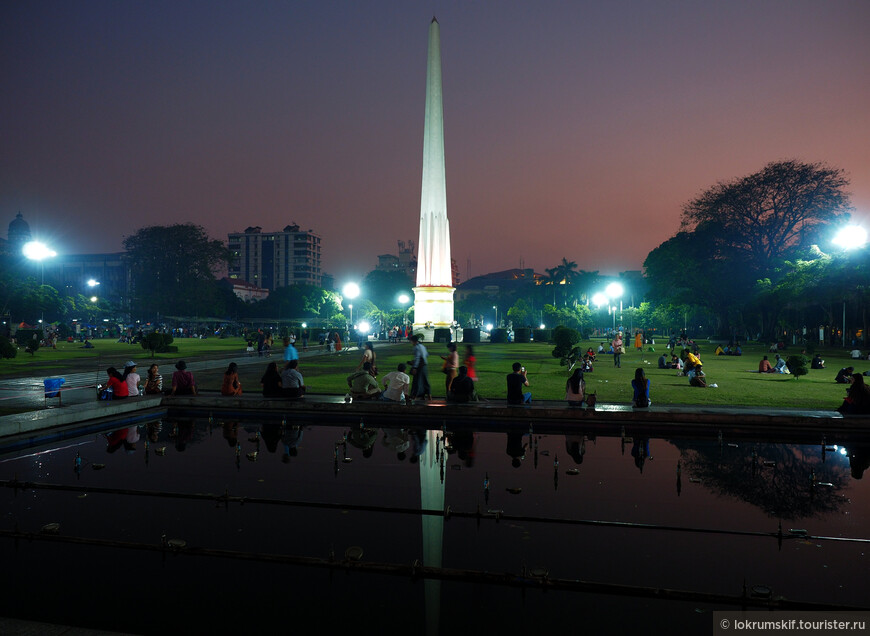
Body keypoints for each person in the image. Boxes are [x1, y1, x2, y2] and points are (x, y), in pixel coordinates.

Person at [409, 335, 431, 400]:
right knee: (425, 381)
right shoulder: (422, 346)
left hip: (419, 366)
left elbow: (417, 358)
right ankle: (429, 396)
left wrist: (414, 367)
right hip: (424, 365)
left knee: (417, 381)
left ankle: (414, 396)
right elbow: (427, 354)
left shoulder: (416, 347)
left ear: (413, 341)